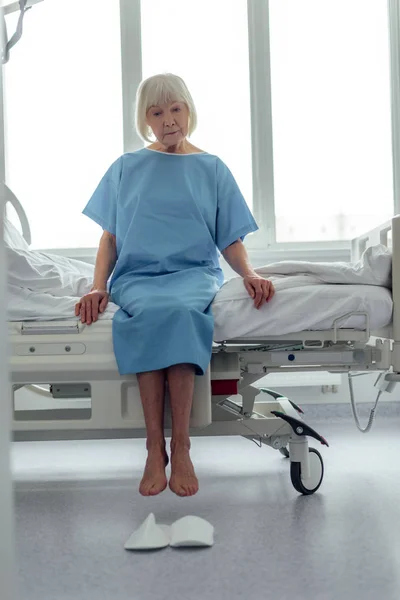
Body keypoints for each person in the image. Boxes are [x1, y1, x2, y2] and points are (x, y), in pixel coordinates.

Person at [75, 73, 275, 498]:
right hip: (139, 276)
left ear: (189, 111)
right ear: (145, 119)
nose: (168, 120)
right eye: (157, 112)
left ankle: (181, 446)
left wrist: (251, 274)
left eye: (175, 109)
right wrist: (98, 287)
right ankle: (153, 447)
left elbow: (230, 239)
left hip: (193, 274)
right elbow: (109, 238)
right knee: (150, 313)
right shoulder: (126, 168)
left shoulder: (212, 168)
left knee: (181, 313)